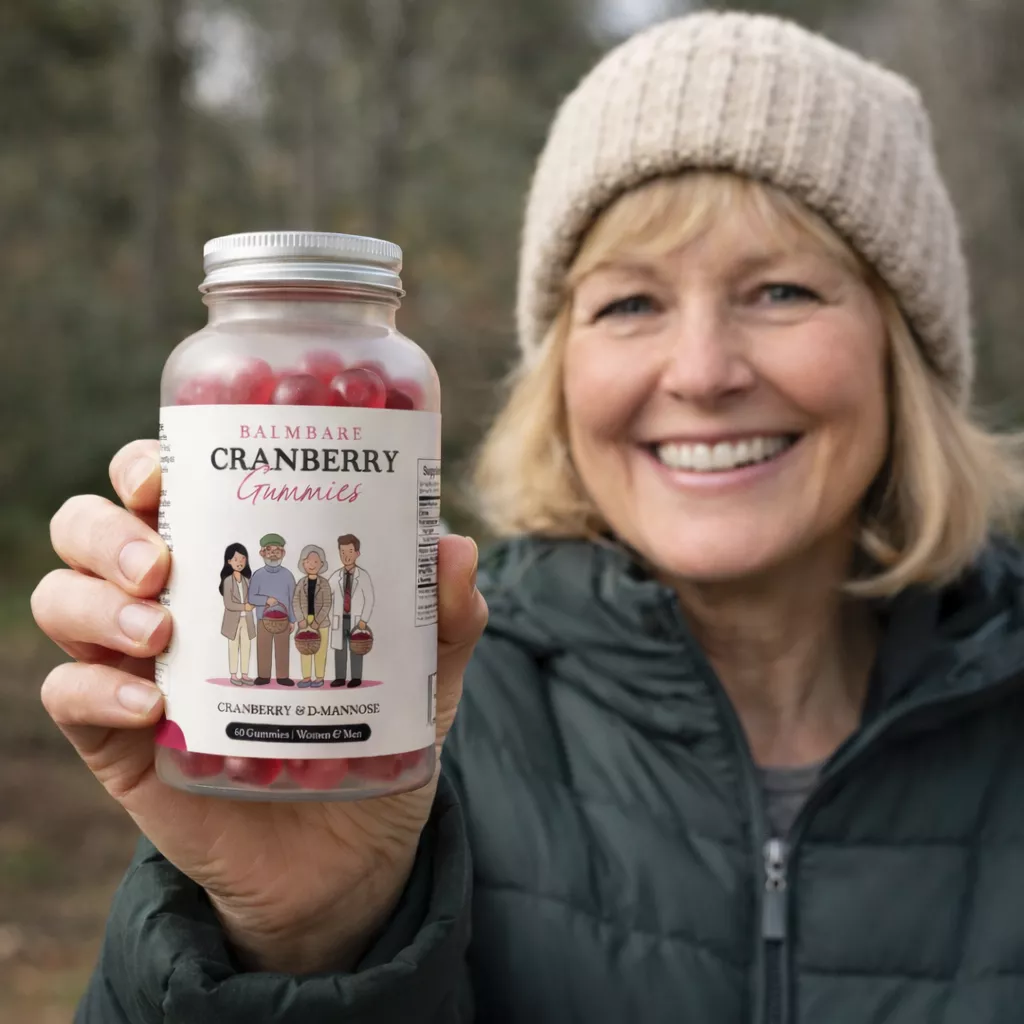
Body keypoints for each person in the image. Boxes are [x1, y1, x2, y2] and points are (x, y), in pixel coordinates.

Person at [28, 11, 1024, 1023]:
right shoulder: (416, 713)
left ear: (908, 351)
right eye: (629, 303)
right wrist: (296, 942)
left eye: (779, 289)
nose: (703, 372)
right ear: (559, 372)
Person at [246, 532, 297, 686]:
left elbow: (292, 599)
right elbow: (251, 598)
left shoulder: (288, 575)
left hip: (283, 619)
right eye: (269, 551)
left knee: (283, 647)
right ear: (262, 553)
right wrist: (266, 600)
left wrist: (292, 620)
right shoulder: (258, 575)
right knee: (263, 647)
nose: (273, 555)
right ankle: (263, 675)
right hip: (263, 619)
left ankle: (283, 676)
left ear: (283, 553)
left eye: (277, 551)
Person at [328, 533, 374, 688]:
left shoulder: (363, 576)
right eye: (342, 552)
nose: (345, 556)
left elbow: (369, 599)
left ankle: (356, 677)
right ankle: (340, 677)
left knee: (356, 647)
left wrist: (363, 620)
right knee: (339, 649)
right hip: (340, 618)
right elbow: (327, 596)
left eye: (349, 552)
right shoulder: (336, 576)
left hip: (356, 620)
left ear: (357, 553)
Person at [291, 543, 332, 687]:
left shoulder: (324, 584)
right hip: (304, 621)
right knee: (304, 648)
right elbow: (295, 601)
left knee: (320, 649)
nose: (312, 565)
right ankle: (306, 677)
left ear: (322, 564)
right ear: (303, 563)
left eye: (316, 562)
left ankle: (319, 677)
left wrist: (317, 621)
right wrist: (300, 619)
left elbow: (327, 603)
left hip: (321, 622)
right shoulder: (301, 583)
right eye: (308, 561)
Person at [218, 542, 255, 684]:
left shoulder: (247, 581)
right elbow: (228, 604)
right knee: (233, 647)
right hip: (233, 620)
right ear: (229, 562)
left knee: (246, 646)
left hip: (247, 620)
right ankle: (234, 674)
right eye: (236, 559)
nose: (239, 563)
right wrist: (245, 607)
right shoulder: (228, 581)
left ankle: (244, 673)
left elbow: (251, 598)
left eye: (242, 559)